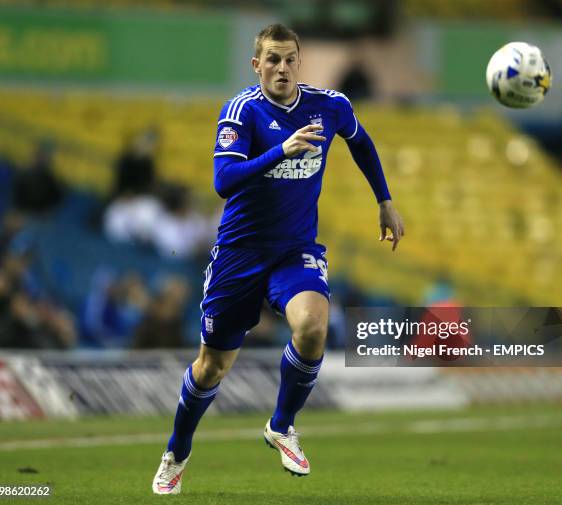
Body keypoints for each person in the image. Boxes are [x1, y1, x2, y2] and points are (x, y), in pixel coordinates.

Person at [152, 23, 404, 495]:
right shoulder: (242, 111)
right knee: (212, 367)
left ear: (299, 61)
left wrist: (384, 199)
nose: (282, 67)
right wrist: (279, 151)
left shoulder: (331, 105)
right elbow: (224, 181)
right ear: (257, 64)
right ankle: (176, 451)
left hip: (295, 249)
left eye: (289, 58)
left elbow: (361, 141)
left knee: (313, 327)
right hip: (239, 255)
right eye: (272, 59)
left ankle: (282, 424)